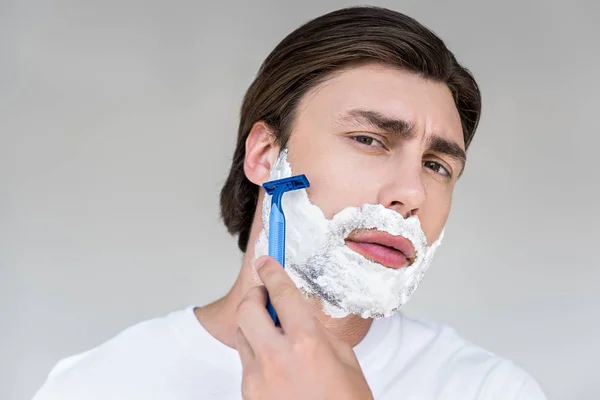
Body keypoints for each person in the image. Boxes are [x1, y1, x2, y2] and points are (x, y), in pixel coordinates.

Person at [33, 6, 546, 400]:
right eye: (369, 139)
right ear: (264, 155)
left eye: (437, 166)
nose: (412, 194)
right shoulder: (99, 386)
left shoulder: (488, 390)